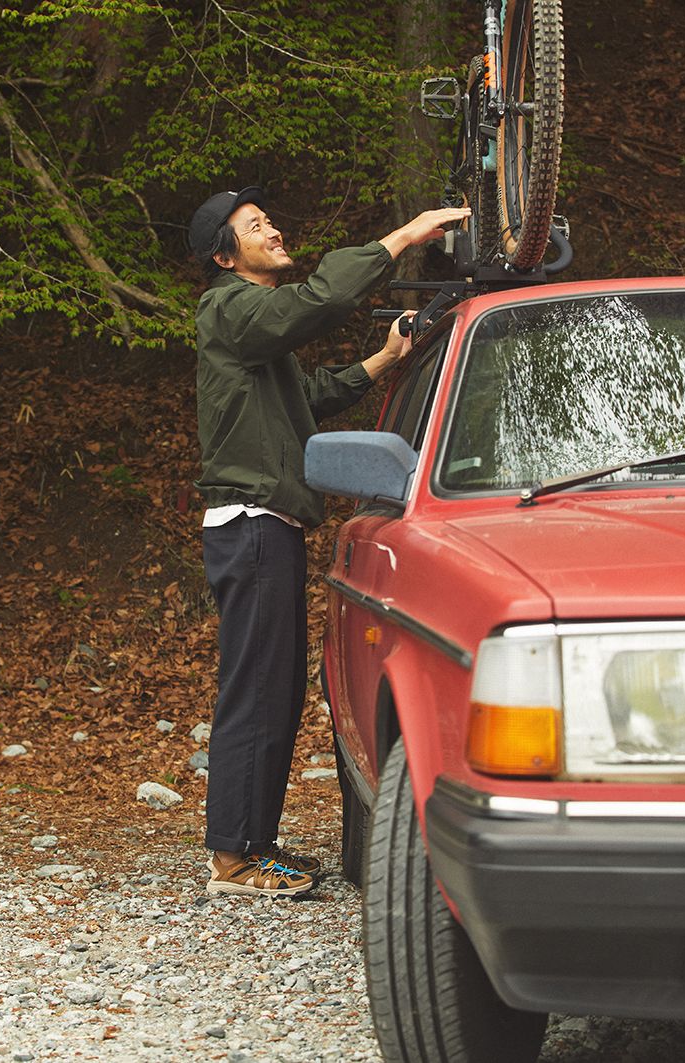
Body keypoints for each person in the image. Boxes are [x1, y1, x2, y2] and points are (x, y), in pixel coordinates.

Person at [188, 186, 470, 896]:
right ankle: (234, 859)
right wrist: (403, 235)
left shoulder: (255, 337)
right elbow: (313, 302)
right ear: (227, 254)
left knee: (275, 690)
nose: (274, 228)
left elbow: (304, 398)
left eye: (270, 217)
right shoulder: (230, 306)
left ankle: (253, 846)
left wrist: (383, 358)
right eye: (256, 226)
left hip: (268, 526)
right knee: (257, 689)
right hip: (250, 524)